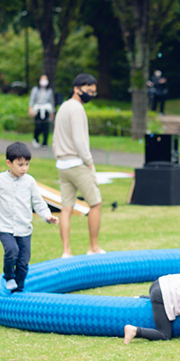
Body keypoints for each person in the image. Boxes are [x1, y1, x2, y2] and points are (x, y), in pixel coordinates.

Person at [0, 142, 58, 293]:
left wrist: (48, 216)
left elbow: (38, 202)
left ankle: (19, 290)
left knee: (23, 262)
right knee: (12, 251)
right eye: (20, 164)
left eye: (27, 164)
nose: (24, 168)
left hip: (24, 228)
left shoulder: (30, 181)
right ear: (9, 163)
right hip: (5, 227)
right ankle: (8, 276)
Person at [53, 73, 106, 258]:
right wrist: (89, 161)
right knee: (96, 203)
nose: (90, 95)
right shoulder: (77, 109)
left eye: (93, 92)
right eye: (88, 91)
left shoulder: (63, 107)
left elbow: (55, 138)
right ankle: (93, 247)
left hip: (62, 164)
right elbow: (79, 139)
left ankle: (66, 251)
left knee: (66, 208)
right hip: (77, 163)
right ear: (77, 88)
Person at [28, 75, 56, 149]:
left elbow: (52, 102)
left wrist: (52, 112)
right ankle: (36, 138)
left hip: (46, 110)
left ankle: (45, 143)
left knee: (46, 127)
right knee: (38, 126)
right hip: (38, 110)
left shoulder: (49, 91)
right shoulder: (35, 89)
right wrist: (30, 109)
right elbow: (31, 100)